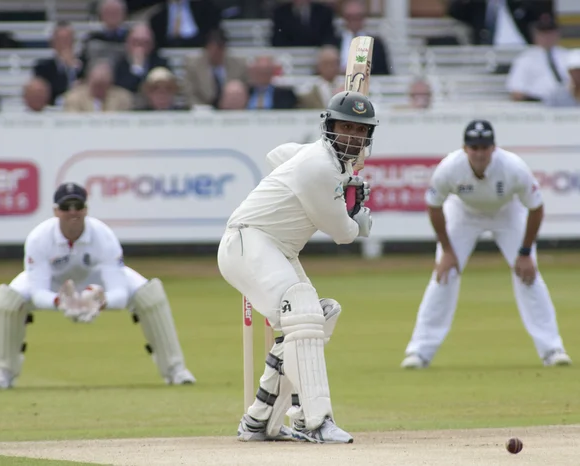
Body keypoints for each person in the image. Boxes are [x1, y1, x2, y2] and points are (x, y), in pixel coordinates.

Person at [218, 91, 377, 443]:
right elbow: (341, 233)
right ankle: (315, 421)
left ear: (368, 136)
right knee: (303, 312)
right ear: (329, 127)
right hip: (249, 241)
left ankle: (260, 420)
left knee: (320, 315)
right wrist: (357, 218)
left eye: (359, 130)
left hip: (279, 250)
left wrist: (344, 182)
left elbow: (278, 155)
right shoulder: (319, 166)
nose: (351, 135)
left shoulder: (324, 162)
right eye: (344, 127)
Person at [0, 183, 195, 389]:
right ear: (56, 211)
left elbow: (120, 293)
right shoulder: (39, 238)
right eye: (66, 207)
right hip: (55, 283)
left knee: (150, 295)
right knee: (9, 300)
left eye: (78, 206)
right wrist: (60, 301)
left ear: (86, 209)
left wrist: (98, 301)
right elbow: (38, 291)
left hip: (97, 284)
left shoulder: (103, 236)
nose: (73, 212)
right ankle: (4, 373)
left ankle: (175, 370)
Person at [401, 120, 571, 370]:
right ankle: (419, 351)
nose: (479, 153)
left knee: (529, 276)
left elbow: (536, 208)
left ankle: (552, 349)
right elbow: (434, 206)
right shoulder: (450, 167)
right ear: (465, 148)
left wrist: (524, 253)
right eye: (474, 147)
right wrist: (447, 251)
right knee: (444, 275)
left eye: (484, 147)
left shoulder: (513, 168)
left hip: (507, 212)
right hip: (463, 213)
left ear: (494, 148)